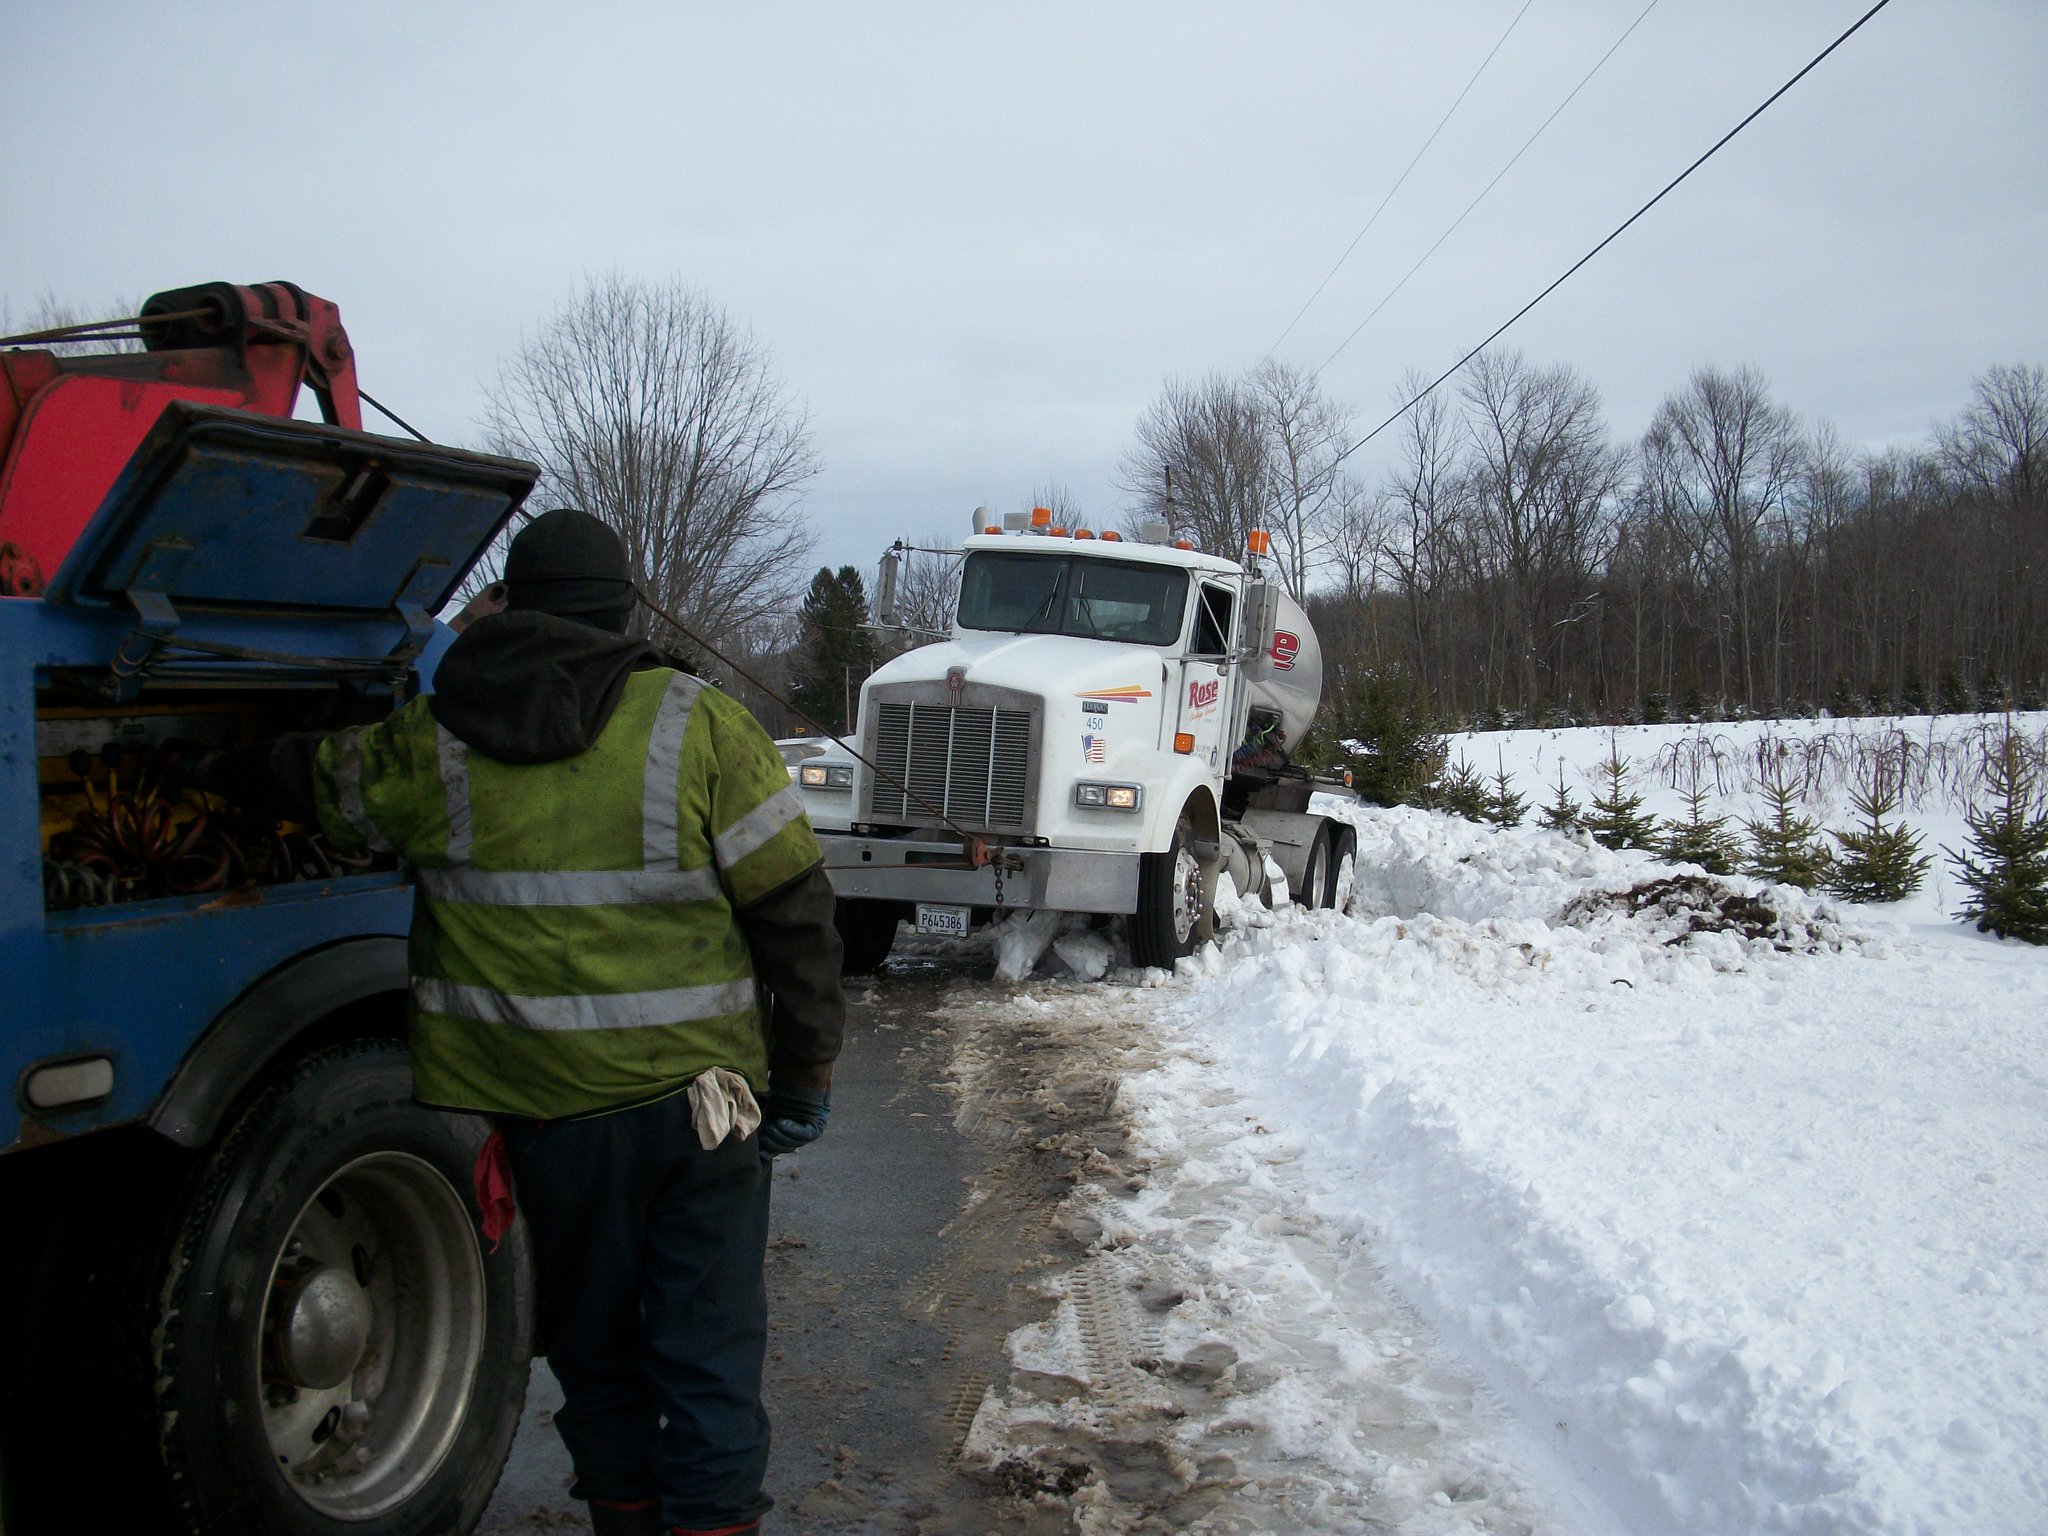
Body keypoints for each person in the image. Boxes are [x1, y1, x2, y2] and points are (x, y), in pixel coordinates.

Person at [202, 507, 845, 1536]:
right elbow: (796, 917)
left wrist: (217, 759)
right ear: (620, 607)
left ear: (516, 602)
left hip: (547, 1124)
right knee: (707, 1356)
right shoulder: (700, 725)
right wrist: (804, 1076)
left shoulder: (436, 738)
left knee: (594, 1354)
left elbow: (322, 789)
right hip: (699, 1118)